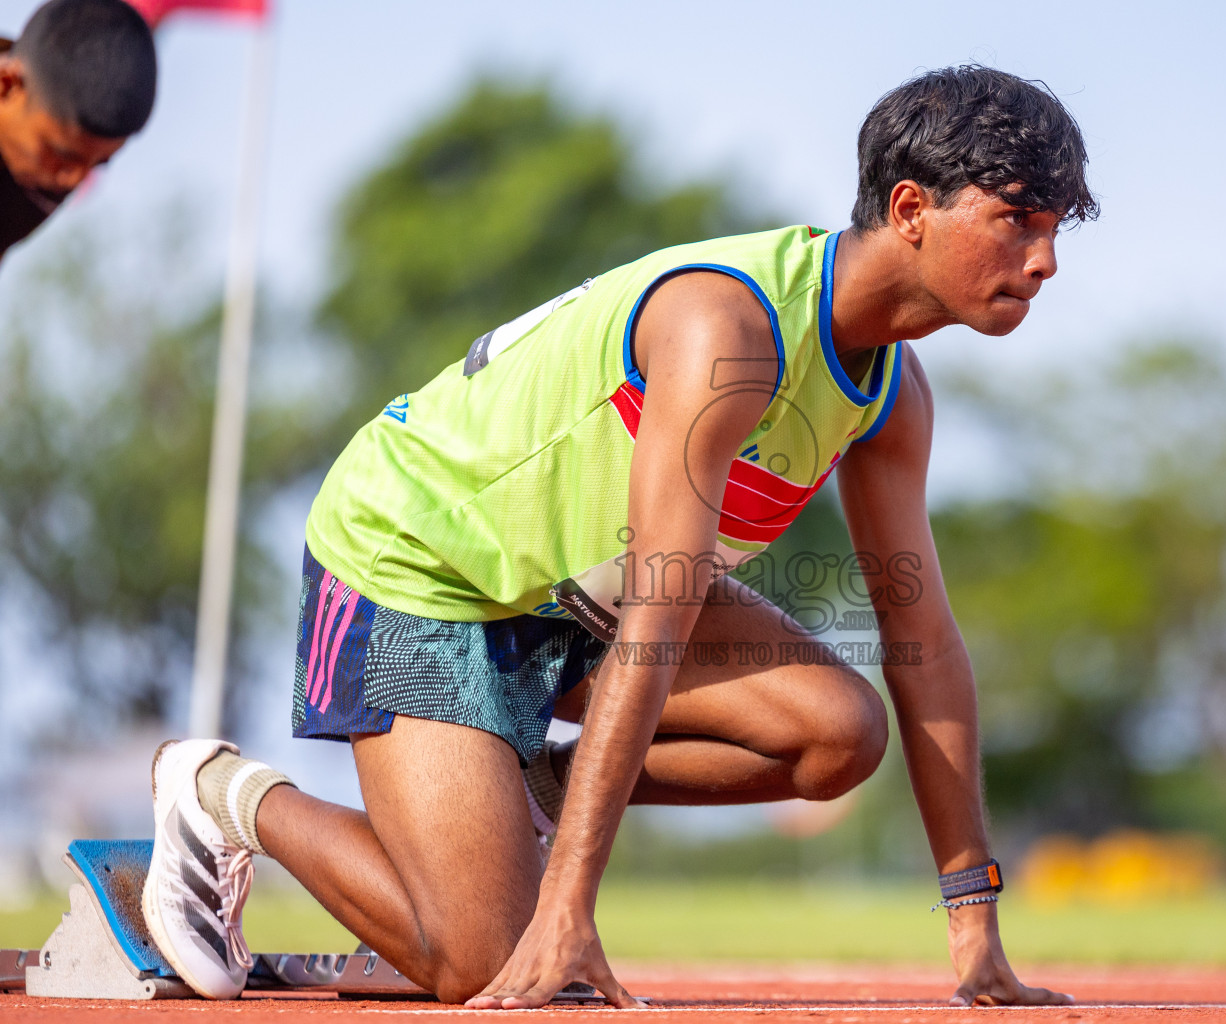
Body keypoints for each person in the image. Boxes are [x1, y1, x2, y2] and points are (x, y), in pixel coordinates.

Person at [141, 64, 1099, 1008]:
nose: (1045, 260)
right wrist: (567, 905)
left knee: (838, 735)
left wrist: (974, 926)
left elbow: (923, 644)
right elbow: (658, 616)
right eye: (1018, 220)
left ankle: (523, 804)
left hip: (575, 597)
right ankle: (221, 792)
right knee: (480, 960)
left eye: (1055, 231)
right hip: (422, 561)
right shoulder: (727, 329)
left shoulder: (892, 397)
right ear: (909, 208)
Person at [0, 0, 155, 262]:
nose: (75, 180)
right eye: (61, 154)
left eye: (99, 163)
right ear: (7, 86)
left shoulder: (44, 174)